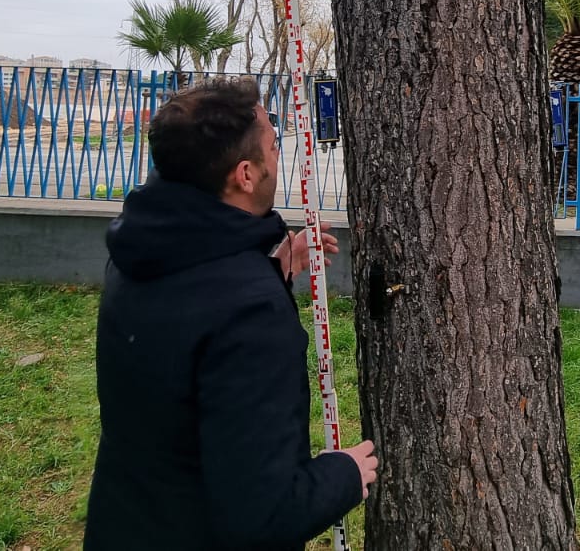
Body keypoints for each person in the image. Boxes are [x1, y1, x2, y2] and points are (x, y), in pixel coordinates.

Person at [84, 77, 377, 549]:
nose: (278, 156)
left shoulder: (140, 254)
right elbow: (265, 515)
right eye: (273, 145)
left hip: (127, 524)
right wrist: (344, 474)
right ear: (245, 174)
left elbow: (188, 327)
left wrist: (270, 268)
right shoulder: (251, 313)